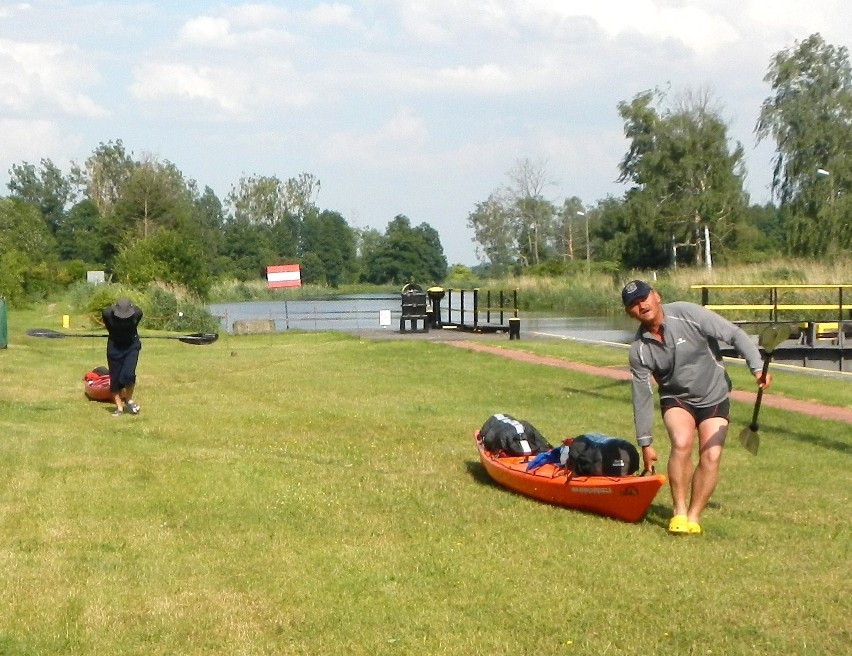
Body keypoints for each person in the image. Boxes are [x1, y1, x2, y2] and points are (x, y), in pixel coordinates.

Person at [621, 280, 771, 535]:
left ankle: (694, 516)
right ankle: (679, 512)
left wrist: (756, 366)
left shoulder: (688, 314)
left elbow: (733, 334)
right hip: (676, 398)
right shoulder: (639, 350)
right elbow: (641, 396)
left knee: (711, 455)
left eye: (644, 298)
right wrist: (645, 443)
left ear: (656, 296)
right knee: (681, 442)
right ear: (629, 313)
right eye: (634, 304)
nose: (642, 305)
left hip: (714, 395)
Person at [102, 297, 143, 417]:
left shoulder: (137, 313)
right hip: (114, 346)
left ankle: (129, 400)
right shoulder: (107, 314)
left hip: (131, 346)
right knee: (115, 379)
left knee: (128, 375)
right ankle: (119, 408)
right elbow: (109, 328)